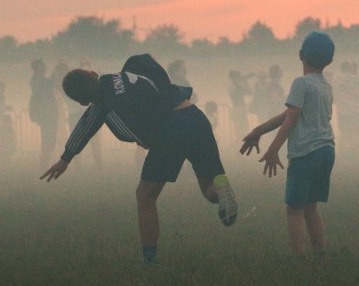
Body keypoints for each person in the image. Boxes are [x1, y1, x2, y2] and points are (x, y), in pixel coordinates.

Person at [40, 54, 237, 266]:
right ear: (93, 73)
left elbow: (92, 125)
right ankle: (222, 189)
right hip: (194, 115)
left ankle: (149, 261)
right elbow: (153, 71)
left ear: (82, 101)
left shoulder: (104, 104)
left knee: (145, 197)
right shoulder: (129, 68)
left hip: (171, 130)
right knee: (209, 190)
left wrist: (65, 158)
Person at [240, 31, 336, 256]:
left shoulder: (300, 83)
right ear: (330, 61)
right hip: (326, 151)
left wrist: (273, 150)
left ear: (300, 54)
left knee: (294, 210)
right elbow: (289, 113)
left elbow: (292, 118)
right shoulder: (325, 86)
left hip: (306, 154)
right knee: (311, 208)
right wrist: (259, 130)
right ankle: (321, 256)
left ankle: (300, 260)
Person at [28, 59, 59, 169]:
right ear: (39, 67)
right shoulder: (37, 80)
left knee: (49, 140)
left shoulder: (38, 79)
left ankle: (44, 163)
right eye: (43, 65)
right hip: (46, 115)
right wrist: (57, 69)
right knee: (48, 140)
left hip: (47, 114)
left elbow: (49, 83)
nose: (45, 67)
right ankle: (43, 164)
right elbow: (48, 86)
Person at [333, 61, 359, 156]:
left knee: (344, 131)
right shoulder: (357, 80)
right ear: (350, 69)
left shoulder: (337, 80)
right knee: (354, 130)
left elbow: (335, 95)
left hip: (342, 110)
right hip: (356, 110)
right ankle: (354, 150)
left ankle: (344, 150)